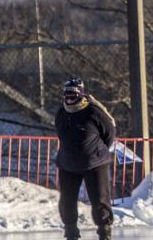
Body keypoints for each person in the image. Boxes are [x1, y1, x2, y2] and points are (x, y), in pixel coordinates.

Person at [55, 77, 116, 240]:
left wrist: (96, 151)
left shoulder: (93, 112)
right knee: (66, 201)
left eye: (73, 94)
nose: (69, 98)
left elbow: (109, 134)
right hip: (68, 163)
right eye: (66, 94)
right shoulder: (61, 111)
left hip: (94, 163)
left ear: (81, 94)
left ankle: (104, 232)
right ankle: (71, 233)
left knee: (99, 201)